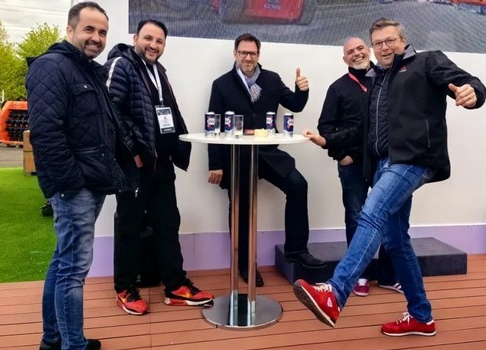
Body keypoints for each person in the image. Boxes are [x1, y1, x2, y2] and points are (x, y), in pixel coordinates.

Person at [294, 18, 486, 336]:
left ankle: (335, 292)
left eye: (390, 41)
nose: (384, 47)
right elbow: (363, 130)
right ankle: (421, 316)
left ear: (403, 41)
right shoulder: (377, 80)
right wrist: (329, 142)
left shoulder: (427, 62)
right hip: (384, 165)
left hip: (414, 159)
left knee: (371, 212)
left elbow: (469, 82)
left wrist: (473, 92)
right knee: (396, 241)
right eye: (378, 43)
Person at [26, 1, 132, 350]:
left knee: (63, 261)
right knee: (73, 269)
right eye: (89, 29)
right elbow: (46, 135)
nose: (96, 38)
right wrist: (71, 185)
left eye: (102, 32)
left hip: (90, 182)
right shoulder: (52, 67)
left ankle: (54, 342)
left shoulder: (85, 69)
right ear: (70, 29)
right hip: (75, 187)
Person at [105, 19, 213, 315]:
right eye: (148, 38)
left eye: (159, 41)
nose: (153, 45)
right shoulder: (121, 65)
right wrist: (133, 152)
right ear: (135, 38)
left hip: (161, 163)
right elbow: (110, 111)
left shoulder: (158, 70)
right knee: (129, 226)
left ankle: (175, 286)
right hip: (136, 166)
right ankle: (125, 288)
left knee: (167, 224)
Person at [207, 33, 325, 287]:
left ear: (258, 55)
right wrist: (215, 164)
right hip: (237, 156)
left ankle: (296, 250)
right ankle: (245, 264)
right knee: (241, 207)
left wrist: (302, 90)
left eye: (253, 53)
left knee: (298, 186)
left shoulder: (272, 79)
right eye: (243, 52)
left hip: (268, 154)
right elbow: (213, 124)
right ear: (235, 54)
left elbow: (295, 105)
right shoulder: (221, 84)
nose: (248, 57)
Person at [317, 36, 401, 297]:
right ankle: (359, 276)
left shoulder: (387, 80)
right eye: (350, 51)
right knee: (355, 215)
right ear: (345, 59)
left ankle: (388, 275)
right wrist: (340, 155)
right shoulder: (337, 88)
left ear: (369, 50)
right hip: (352, 165)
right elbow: (325, 127)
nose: (356, 54)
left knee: (390, 214)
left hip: (384, 162)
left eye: (360, 48)